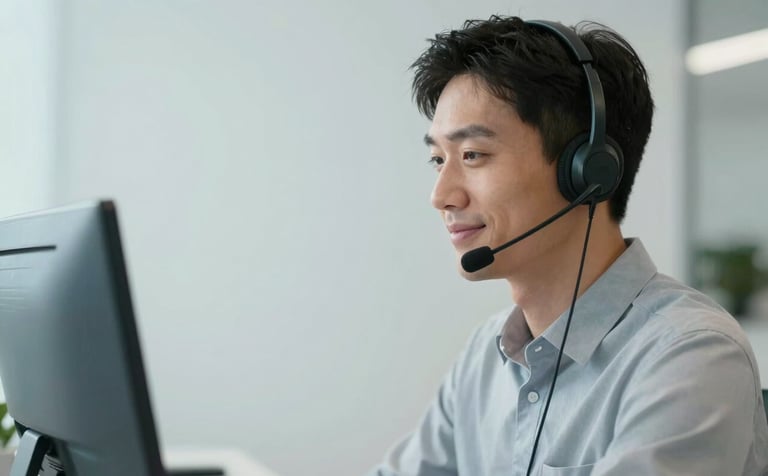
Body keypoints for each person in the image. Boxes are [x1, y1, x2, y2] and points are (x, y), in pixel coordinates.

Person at [367, 15, 768, 476]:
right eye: (439, 159)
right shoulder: (486, 355)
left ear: (587, 173)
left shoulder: (689, 355)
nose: (441, 196)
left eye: (472, 155)